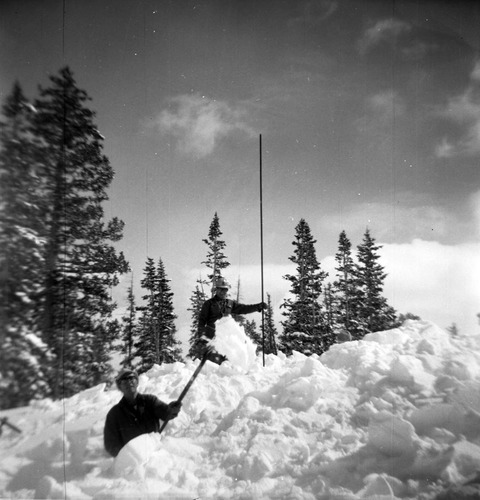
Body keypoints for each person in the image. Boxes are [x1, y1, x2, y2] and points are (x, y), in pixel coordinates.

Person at [104, 368, 182, 457]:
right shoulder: (114, 414)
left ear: (137, 382)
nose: (129, 382)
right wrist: (127, 457)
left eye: (131, 378)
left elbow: (166, 413)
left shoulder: (150, 401)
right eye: (124, 380)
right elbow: (111, 445)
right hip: (135, 461)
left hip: (156, 455)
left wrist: (172, 409)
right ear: (119, 386)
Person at [197, 277, 266, 362]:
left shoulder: (230, 304)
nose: (223, 292)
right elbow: (202, 321)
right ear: (216, 289)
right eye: (221, 289)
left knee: (228, 364)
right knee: (213, 364)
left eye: (225, 290)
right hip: (212, 339)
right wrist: (202, 336)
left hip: (226, 340)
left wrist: (258, 307)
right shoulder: (208, 304)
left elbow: (243, 309)